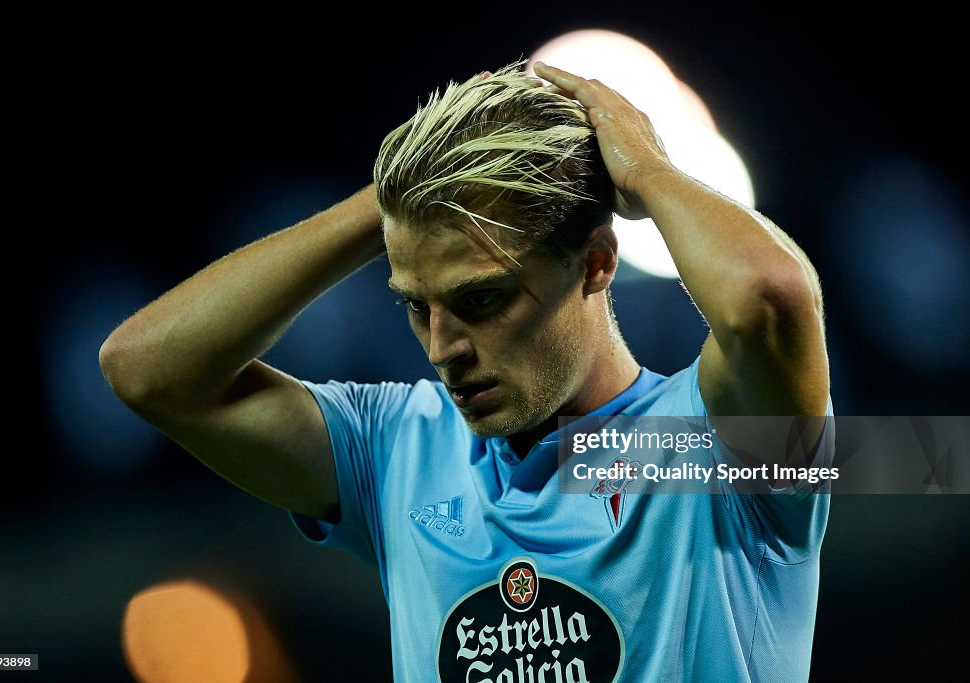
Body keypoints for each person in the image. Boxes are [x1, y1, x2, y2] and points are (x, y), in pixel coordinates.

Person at [100, 59, 832, 682]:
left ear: (598, 261)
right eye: (418, 307)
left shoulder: (714, 447)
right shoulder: (398, 447)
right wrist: (389, 210)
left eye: (481, 299)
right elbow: (146, 369)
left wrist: (643, 168)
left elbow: (768, 297)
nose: (442, 347)